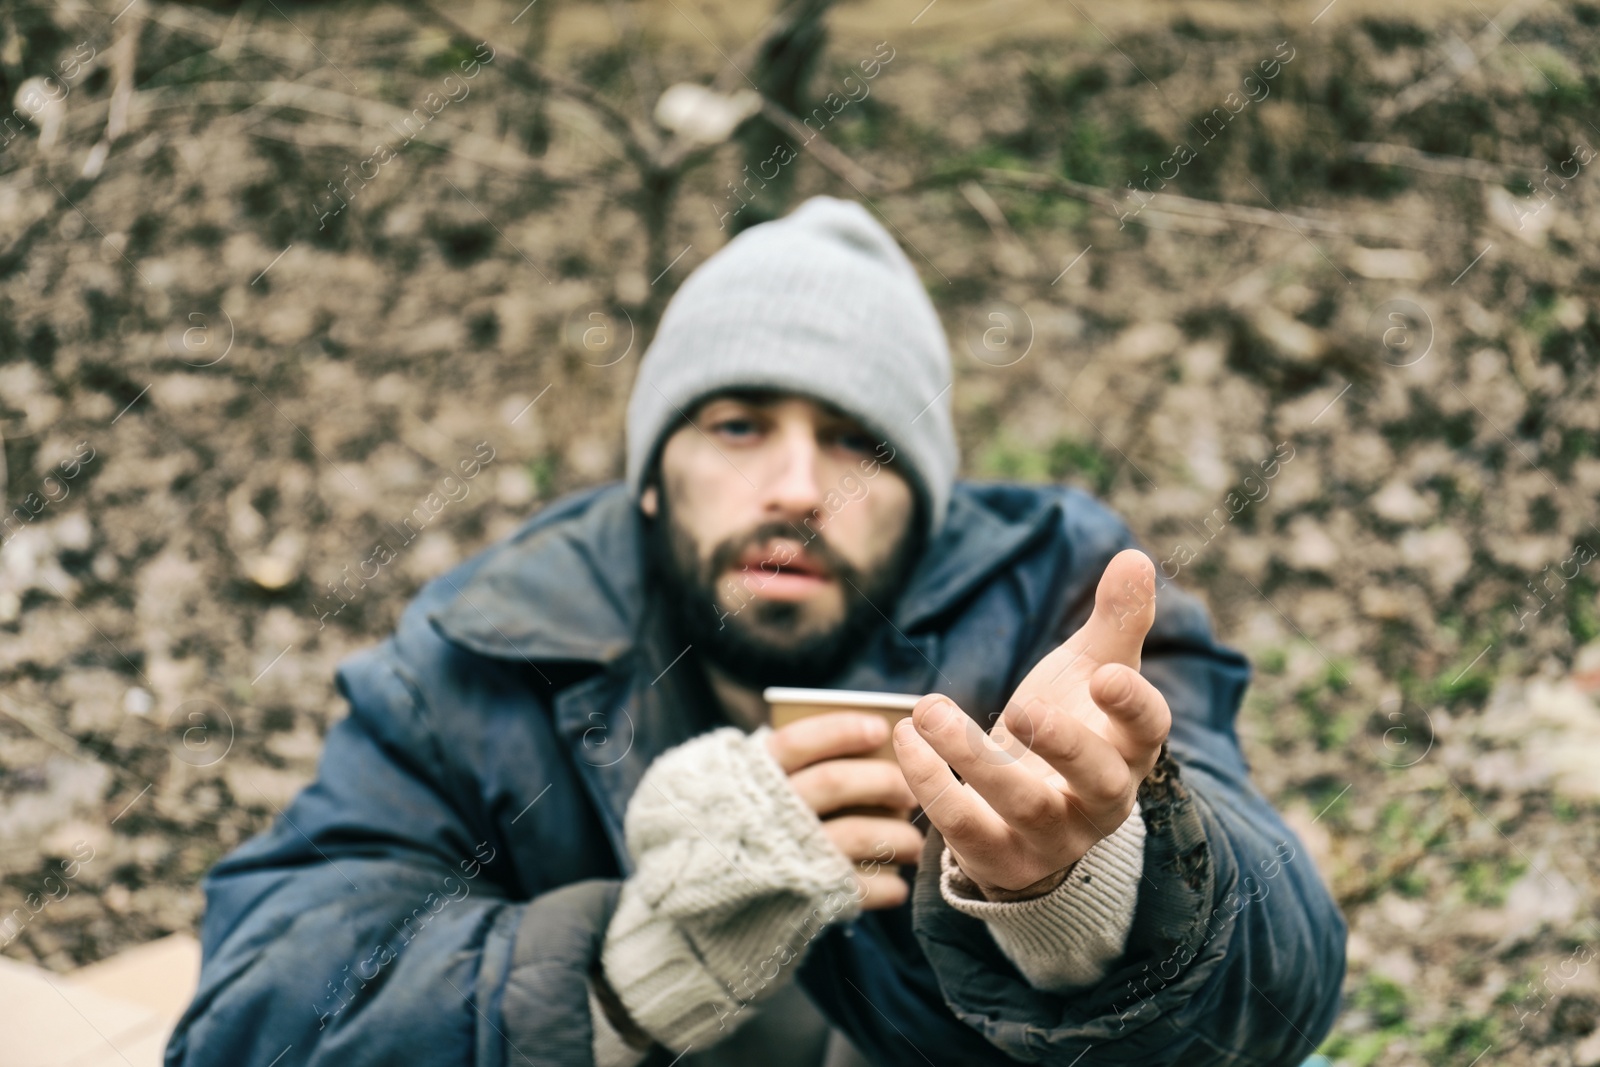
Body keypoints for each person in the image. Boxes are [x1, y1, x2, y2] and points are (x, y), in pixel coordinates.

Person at [166, 197, 1344, 1067]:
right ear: (647, 479)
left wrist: (1087, 890)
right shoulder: (489, 648)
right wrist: (622, 971)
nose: (794, 485)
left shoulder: (1058, 601)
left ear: (927, 505)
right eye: (737, 425)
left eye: (852, 439)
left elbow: (1282, 997)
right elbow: (253, 1012)